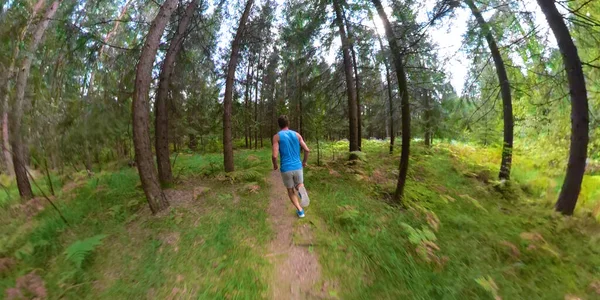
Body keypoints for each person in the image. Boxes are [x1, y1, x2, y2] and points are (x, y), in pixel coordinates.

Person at [272, 115, 310, 218]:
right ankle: (301, 191)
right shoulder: (297, 135)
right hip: (298, 166)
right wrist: (304, 162)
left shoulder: (277, 137)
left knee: (290, 190)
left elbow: (275, 156)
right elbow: (307, 150)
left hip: (286, 168)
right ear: (288, 123)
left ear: (279, 125)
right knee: (299, 184)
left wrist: (275, 165)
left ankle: (300, 211)